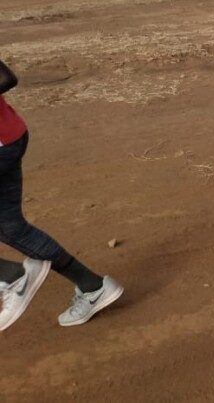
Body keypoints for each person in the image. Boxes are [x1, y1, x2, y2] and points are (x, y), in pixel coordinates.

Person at [0, 58, 123, 331]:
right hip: (8, 137)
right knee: (11, 227)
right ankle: (93, 287)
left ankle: (11, 276)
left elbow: (4, 78)